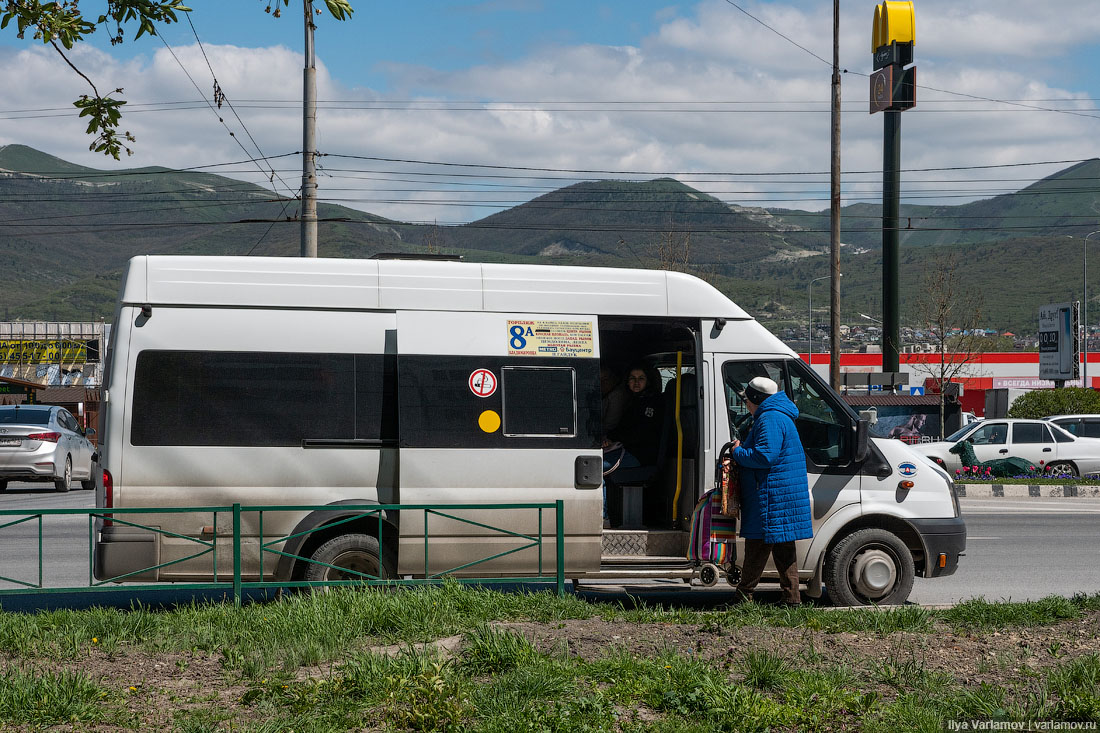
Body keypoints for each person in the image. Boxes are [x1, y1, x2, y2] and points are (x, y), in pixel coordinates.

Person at [729, 376, 812, 605]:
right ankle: (792, 598)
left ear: (756, 399)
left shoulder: (769, 418)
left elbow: (765, 455)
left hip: (771, 494)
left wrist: (738, 452)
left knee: (758, 545)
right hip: (781, 492)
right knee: (784, 547)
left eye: (747, 401)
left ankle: (743, 598)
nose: (746, 405)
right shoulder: (780, 416)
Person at [602, 364, 664, 528]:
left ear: (648, 381)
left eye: (641, 379)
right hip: (628, 450)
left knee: (594, 468)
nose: (636, 383)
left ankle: (603, 518)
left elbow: (639, 433)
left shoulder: (651, 403)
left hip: (640, 455)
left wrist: (613, 438)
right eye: (632, 378)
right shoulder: (634, 401)